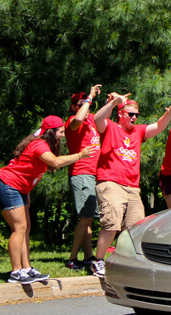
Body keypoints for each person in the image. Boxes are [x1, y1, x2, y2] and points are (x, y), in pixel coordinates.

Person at [0, 116, 94, 284]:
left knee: (26, 227)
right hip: (7, 185)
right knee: (19, 228)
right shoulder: (39, 145)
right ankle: (16, 272)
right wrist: (80, 155)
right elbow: (55, 161)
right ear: (51, 131)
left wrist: (26, 192)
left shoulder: (43, 144)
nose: (62, 135)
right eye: (60, 131)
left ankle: (26, 268)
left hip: (20, 189)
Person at [92, 93, 171, 277]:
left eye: (136, 115)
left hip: (132, 187)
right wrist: (113, 103)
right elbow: (97, 118)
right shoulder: (111, 127)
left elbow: (158, 127)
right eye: (130, 114)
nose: (134, 118)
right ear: (121, 114)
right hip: (110, 182)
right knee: (111, 224)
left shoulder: (138, 131)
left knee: (135, 228)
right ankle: (98, 261)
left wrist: (170, 113)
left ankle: (124, 263)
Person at [65, 85, 103, 270]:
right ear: (73, 107)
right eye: (78, 104)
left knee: (89, 218)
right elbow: (78, 118)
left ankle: (88, 256)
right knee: (85, 218)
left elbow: (104, 117)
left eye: (85, 103)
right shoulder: (72, 121)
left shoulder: (93, 121)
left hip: (93, 173)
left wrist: (112, 102)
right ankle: (72, 259)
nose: (83, 106)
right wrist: (89, 98)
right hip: (82, 172)